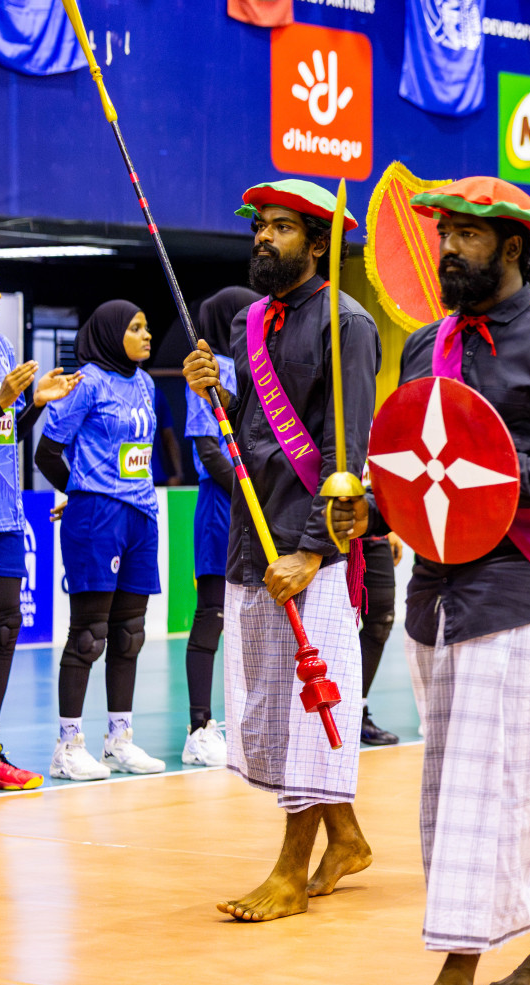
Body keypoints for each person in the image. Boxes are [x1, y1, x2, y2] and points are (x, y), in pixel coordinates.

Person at [331, 176, 530, 985]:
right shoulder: (426, 346)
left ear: (511, 247)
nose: (448, 247)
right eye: (443, 233)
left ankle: (454, 978)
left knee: (470, 784)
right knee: (506, 783)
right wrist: (374, 505)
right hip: (435, 594)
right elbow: (411, 467)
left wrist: (499, 482)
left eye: (465, 235)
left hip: (521, 593)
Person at [182, 179, 377, 922]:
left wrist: (312, 552)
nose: (263, 238)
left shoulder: (346, 323)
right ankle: (348, 838)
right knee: (267, 704)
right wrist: (216, 398)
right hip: (250, 538)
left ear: (318, 242)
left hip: (310, 551)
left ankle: (291, 873)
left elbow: (346, 451)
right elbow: (257, 430)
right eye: (259, 227)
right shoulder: (249, 323)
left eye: (282, 228)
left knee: (309, 711)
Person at [38, 301, 168, 780]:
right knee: (89, 635)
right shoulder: (88, 381)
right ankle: (68, 745)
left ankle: (120, 739)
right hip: (98, 515)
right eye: (136, 328)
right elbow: (47, 450)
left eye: (146, 326)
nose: (146, 335)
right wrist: (77, 492)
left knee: (130, 634)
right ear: (113, 335)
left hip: (142, 514)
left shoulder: (147, 384)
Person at [0, 272, 81, 789]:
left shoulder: (3, 347)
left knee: (4, 628)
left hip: (4, 511)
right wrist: (3, 400)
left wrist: (32, 407)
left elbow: (4, 433)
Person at [181, 285, 258, 768]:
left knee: (252, 622)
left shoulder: (254, 369)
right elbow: (210, 449)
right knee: (212, 614)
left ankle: (244, 720)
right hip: (223, 508)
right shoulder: (212, 370)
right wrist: (252, 492)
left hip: (255, 510)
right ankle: (199, 727)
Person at [357, 527, 403, 746]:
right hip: (329, 532)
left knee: (381, 623)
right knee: (335, 622)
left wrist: (389, 525)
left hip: (374, 534)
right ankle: (328, 712)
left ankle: (358, 713)